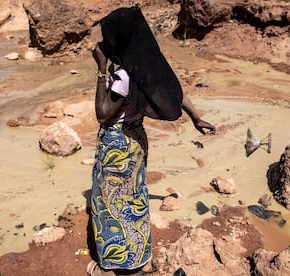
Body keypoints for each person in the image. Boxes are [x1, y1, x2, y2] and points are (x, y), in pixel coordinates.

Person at [88, 6, 215, 276]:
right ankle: (141, 258)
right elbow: (175, 92)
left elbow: (102, 116)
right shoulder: (148, 64)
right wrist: (195, 118)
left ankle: (113, 264)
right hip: (137, 140)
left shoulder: (124, 76)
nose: (102, 42)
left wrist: (101, 69)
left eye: (106, 37)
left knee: (111, 203)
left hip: (117, 144)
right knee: (135, 197)